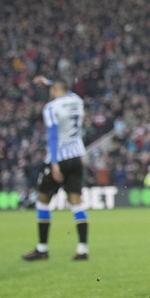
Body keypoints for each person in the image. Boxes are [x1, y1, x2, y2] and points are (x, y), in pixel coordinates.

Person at [22, 76, 89, 261]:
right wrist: (50, 82)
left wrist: (53, 163)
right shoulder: (77, 101)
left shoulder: (51, 107)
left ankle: (42, 249)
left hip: (59, 159)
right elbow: (65, 90)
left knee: (42, 201)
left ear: (53, 91)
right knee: (76, 203)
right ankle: (82, 249)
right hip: (77, 157)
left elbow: (52, 136)